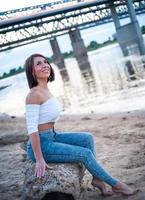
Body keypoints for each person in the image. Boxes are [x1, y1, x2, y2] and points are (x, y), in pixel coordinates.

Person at [24, 53, 138, 197]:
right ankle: (117, 185)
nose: (45, 65)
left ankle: (97, 179)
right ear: (32, 71)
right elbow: (32, 129)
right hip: (42, 145)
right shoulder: (33, 94)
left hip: (51, 136)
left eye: (46, 62)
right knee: (85, 154)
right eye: (39, 64)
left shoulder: (45, 89)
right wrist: (39, 159)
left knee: (87, 138)